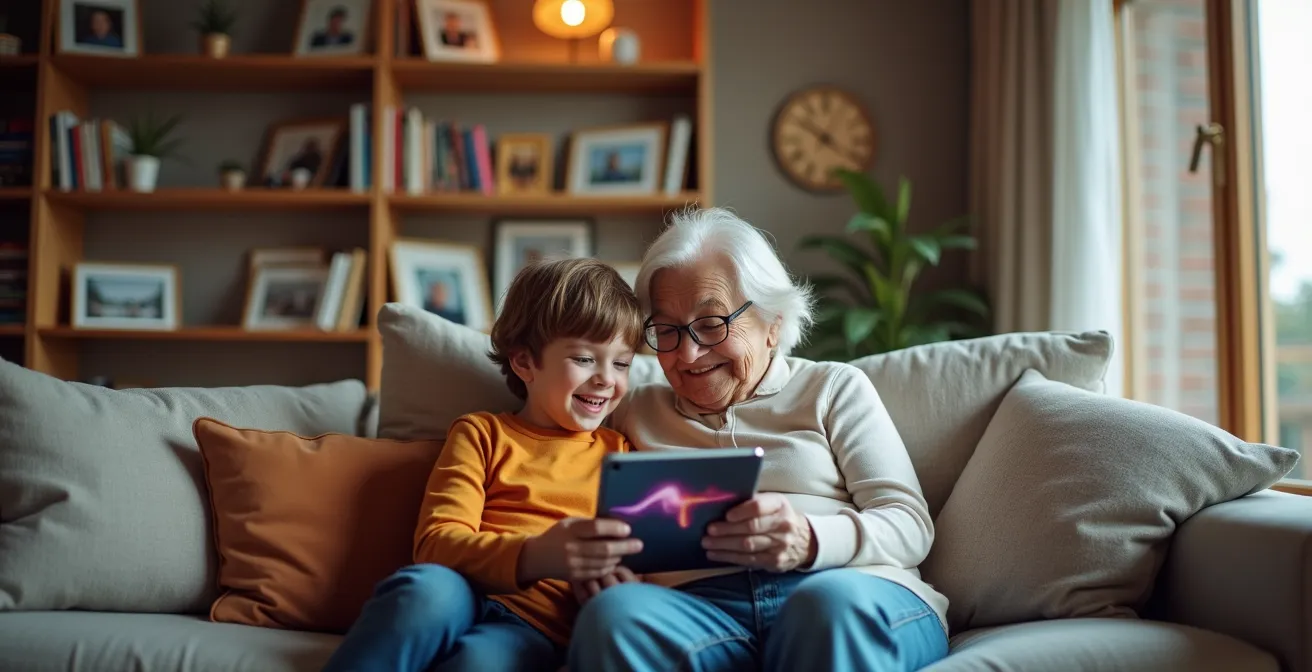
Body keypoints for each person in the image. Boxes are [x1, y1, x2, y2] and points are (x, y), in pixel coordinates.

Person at [566, 207, 951, 671]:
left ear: (773, 323)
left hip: (846, 589)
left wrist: (811, 539)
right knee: (613, 616)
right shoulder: (630, 410)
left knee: (826, 609)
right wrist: (598, 566)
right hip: (699, 615)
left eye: (712, 324)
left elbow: (910, 523)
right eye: (667, 330)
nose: (688, 353)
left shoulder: (832, 388)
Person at [321, 258, 645, 672]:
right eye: (584, 359)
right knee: (425, 593)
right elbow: (436, 543)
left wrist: (624, 585)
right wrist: (535, 555)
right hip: (458, 588)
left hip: (534, 626)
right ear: (525, 362)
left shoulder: (620, 453)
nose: (606, 379)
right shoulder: (482, 434)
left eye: (621, 363)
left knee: (480, 661)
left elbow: (638, 559)